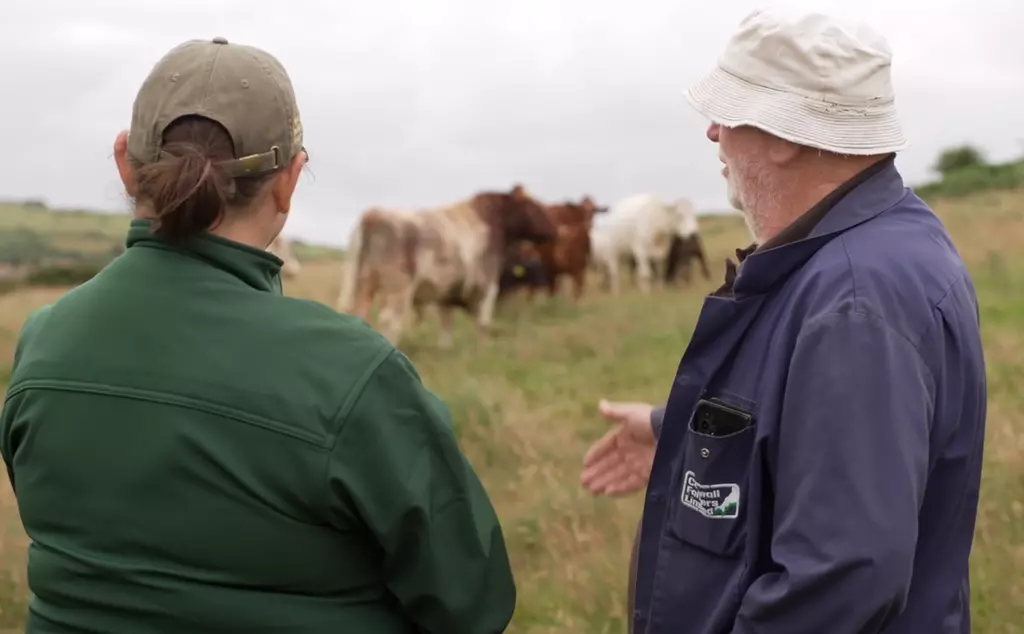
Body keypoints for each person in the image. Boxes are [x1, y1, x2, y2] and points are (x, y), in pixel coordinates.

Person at [0, 37, 516, 634]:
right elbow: (472, 605)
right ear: (289, 182)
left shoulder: (40, 345)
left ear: (125, 163)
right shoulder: (353, 373)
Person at [581, 9, 986, 634]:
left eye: (730, 109)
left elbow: (841, 577)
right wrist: (677, 431)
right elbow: (823, 429)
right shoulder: (873, 248)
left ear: (785, 134)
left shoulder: (854, 300)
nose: (713, 132)